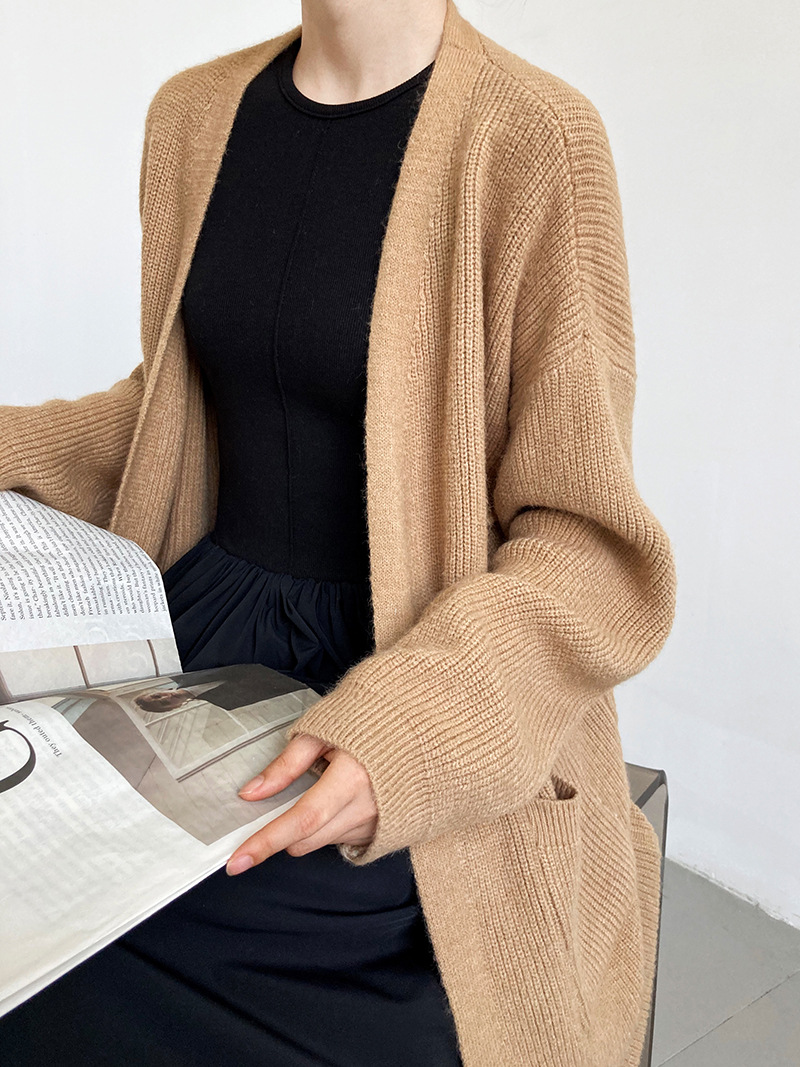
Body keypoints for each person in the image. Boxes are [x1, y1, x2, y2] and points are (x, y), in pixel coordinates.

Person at [0, 0, 678, 1064]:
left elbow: (589, 543)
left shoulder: (536, 136)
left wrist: (411, 732)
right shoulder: (192, 115)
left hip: (417, 681)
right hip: (197, 647)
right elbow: (176, 414)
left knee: (166, 937)